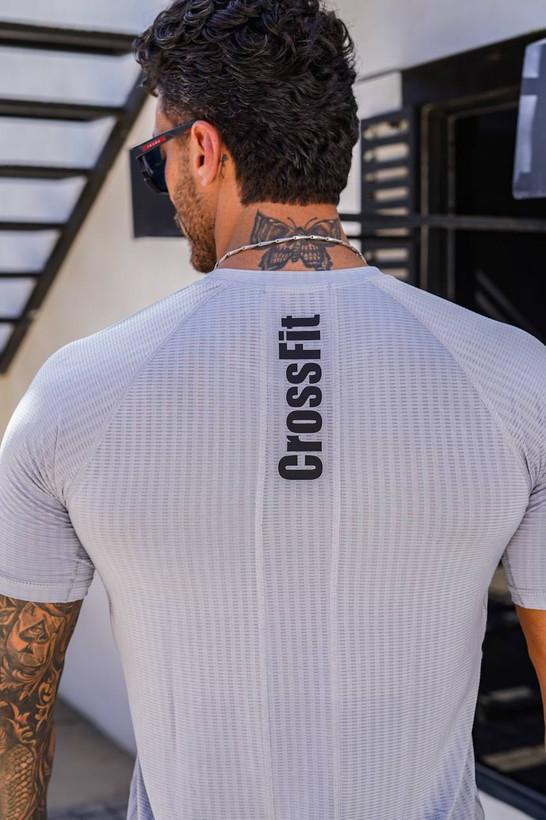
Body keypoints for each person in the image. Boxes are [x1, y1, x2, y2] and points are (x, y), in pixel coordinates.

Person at [0, 1, 545, 818]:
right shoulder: (516, 377)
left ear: (203, 150)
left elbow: (16, 701)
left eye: (156, 161)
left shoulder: (73, 393)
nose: (164, 184)